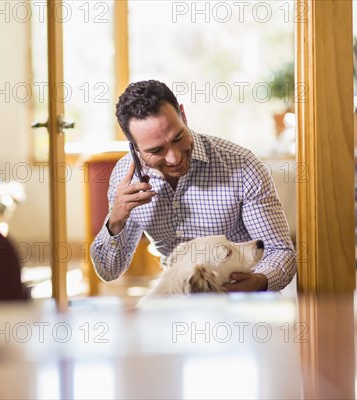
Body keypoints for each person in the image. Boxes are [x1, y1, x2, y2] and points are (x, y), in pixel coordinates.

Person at [90, 80, 296, 291]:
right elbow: (108, 271)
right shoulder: (126, 178)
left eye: (178, 138)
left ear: (183, 115)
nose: (174, 158)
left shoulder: (242, 165)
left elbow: (280, 252)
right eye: (156, 150)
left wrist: (257, 283)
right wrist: (116, 221)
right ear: (134, 147)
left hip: (243, 304)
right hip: (178, 304)